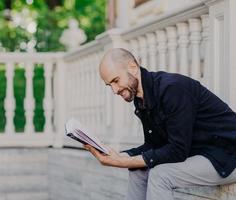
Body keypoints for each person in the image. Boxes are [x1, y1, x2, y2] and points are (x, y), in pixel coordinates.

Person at [84, 48, 236, 200]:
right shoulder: (141, 97)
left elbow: (177, 150)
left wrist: (121, 162)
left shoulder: (172, 89)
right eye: (109, 85)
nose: (114, 90)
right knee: (138, 170)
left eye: (116, 81)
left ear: (132, 67)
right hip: (203, 153)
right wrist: (118, 155)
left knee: (160, 175)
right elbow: (155, 145)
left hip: (227, 153)